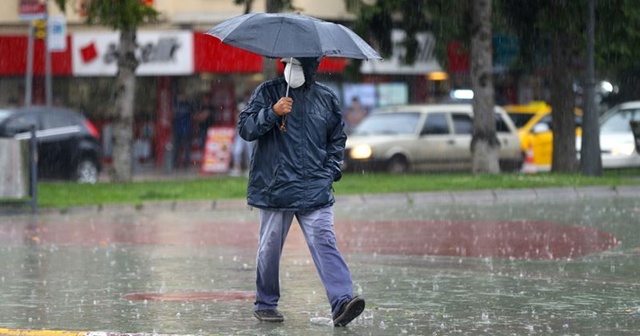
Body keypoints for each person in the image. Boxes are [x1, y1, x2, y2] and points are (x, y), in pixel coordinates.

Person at [238, 57, 365, 327]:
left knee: (325, 241)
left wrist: (330, 171)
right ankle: (266, 303)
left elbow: (336, 139)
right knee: (269, 248)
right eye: (287, 63)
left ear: (311, 67)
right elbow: (246, 129)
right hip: (276, 188)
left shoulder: (326, 99)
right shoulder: (267, 92)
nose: (291, 69)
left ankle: (342, 301)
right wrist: (272, 112)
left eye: (298, 64)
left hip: (315, 188)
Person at [230, 94, 254, 176]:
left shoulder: (250, 112)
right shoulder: (237, 114)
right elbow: (236, 123)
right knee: (237, 150)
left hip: (248, 134)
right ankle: (237, 168)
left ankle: (251, 169)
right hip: (239, 134)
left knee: (250, 152)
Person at [172, 92, 194, 169]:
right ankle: (177, 163)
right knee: (178, 147)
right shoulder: (177, 105)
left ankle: (183, 163)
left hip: (184, 129)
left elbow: (192, 116)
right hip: (179, 129)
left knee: (184, 147)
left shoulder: (187, 105)